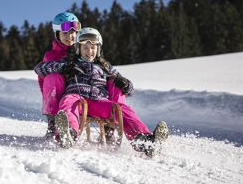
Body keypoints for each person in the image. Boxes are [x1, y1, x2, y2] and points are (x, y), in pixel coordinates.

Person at [34, 27, 168, 157]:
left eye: (93, 47)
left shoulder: (104, 66)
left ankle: (145, 142)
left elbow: (130, 90)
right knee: (67, 104)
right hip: (76, 96)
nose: (89, 51)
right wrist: (64, 67)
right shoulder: (70, 62)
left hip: (99, 100)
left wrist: (127, 85)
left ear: (98, 49)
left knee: (122, 109)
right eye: (85, 47)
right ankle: (68, 134)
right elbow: (39, 69)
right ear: (78, 49)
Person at [38, 13, 126, 140]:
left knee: (116, 83)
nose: (70, 37)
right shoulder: (52, 55)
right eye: (65, 33)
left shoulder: (85, 48)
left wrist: (120, 81)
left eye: (73, 33)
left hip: (91, 92)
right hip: (63, 94)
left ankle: (111, 125)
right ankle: (55, 124)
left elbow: (105, 69)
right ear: (57, 34)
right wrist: (62, 67)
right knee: (53, 77)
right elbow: (41, 75)